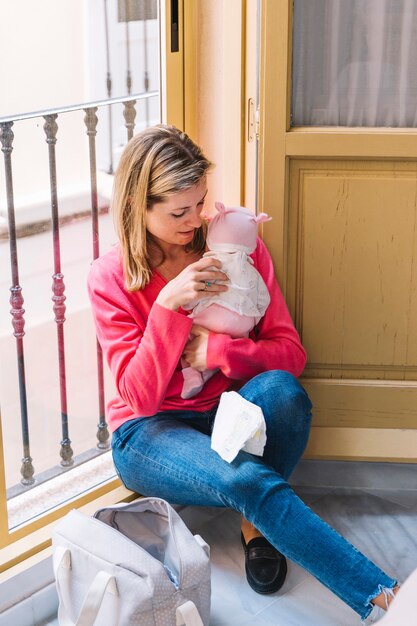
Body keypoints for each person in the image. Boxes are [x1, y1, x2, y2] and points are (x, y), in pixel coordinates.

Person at [87, 124, 399, 621]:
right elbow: (139, 398)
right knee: (246, 479)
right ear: (137, 208)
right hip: (150, 433)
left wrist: (217, 352)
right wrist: (169, 305)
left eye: (201, 203)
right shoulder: (110, 278)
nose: (197, 221)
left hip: (229, 412)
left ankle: (257, 524)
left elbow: (290, 353)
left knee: (284, 392)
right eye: (179, 212)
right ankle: (385, 599)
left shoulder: (235, 248)